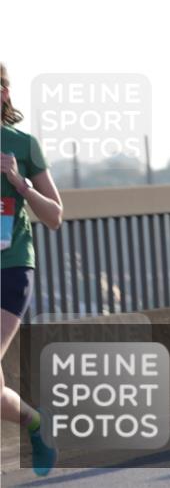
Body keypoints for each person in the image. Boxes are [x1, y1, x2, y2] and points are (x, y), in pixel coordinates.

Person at [1, 62, 63, 476]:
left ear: (3, 94)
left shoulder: (22, 145)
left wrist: (18, 182)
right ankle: (36, 424)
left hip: (10, 267)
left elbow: (55, 216)